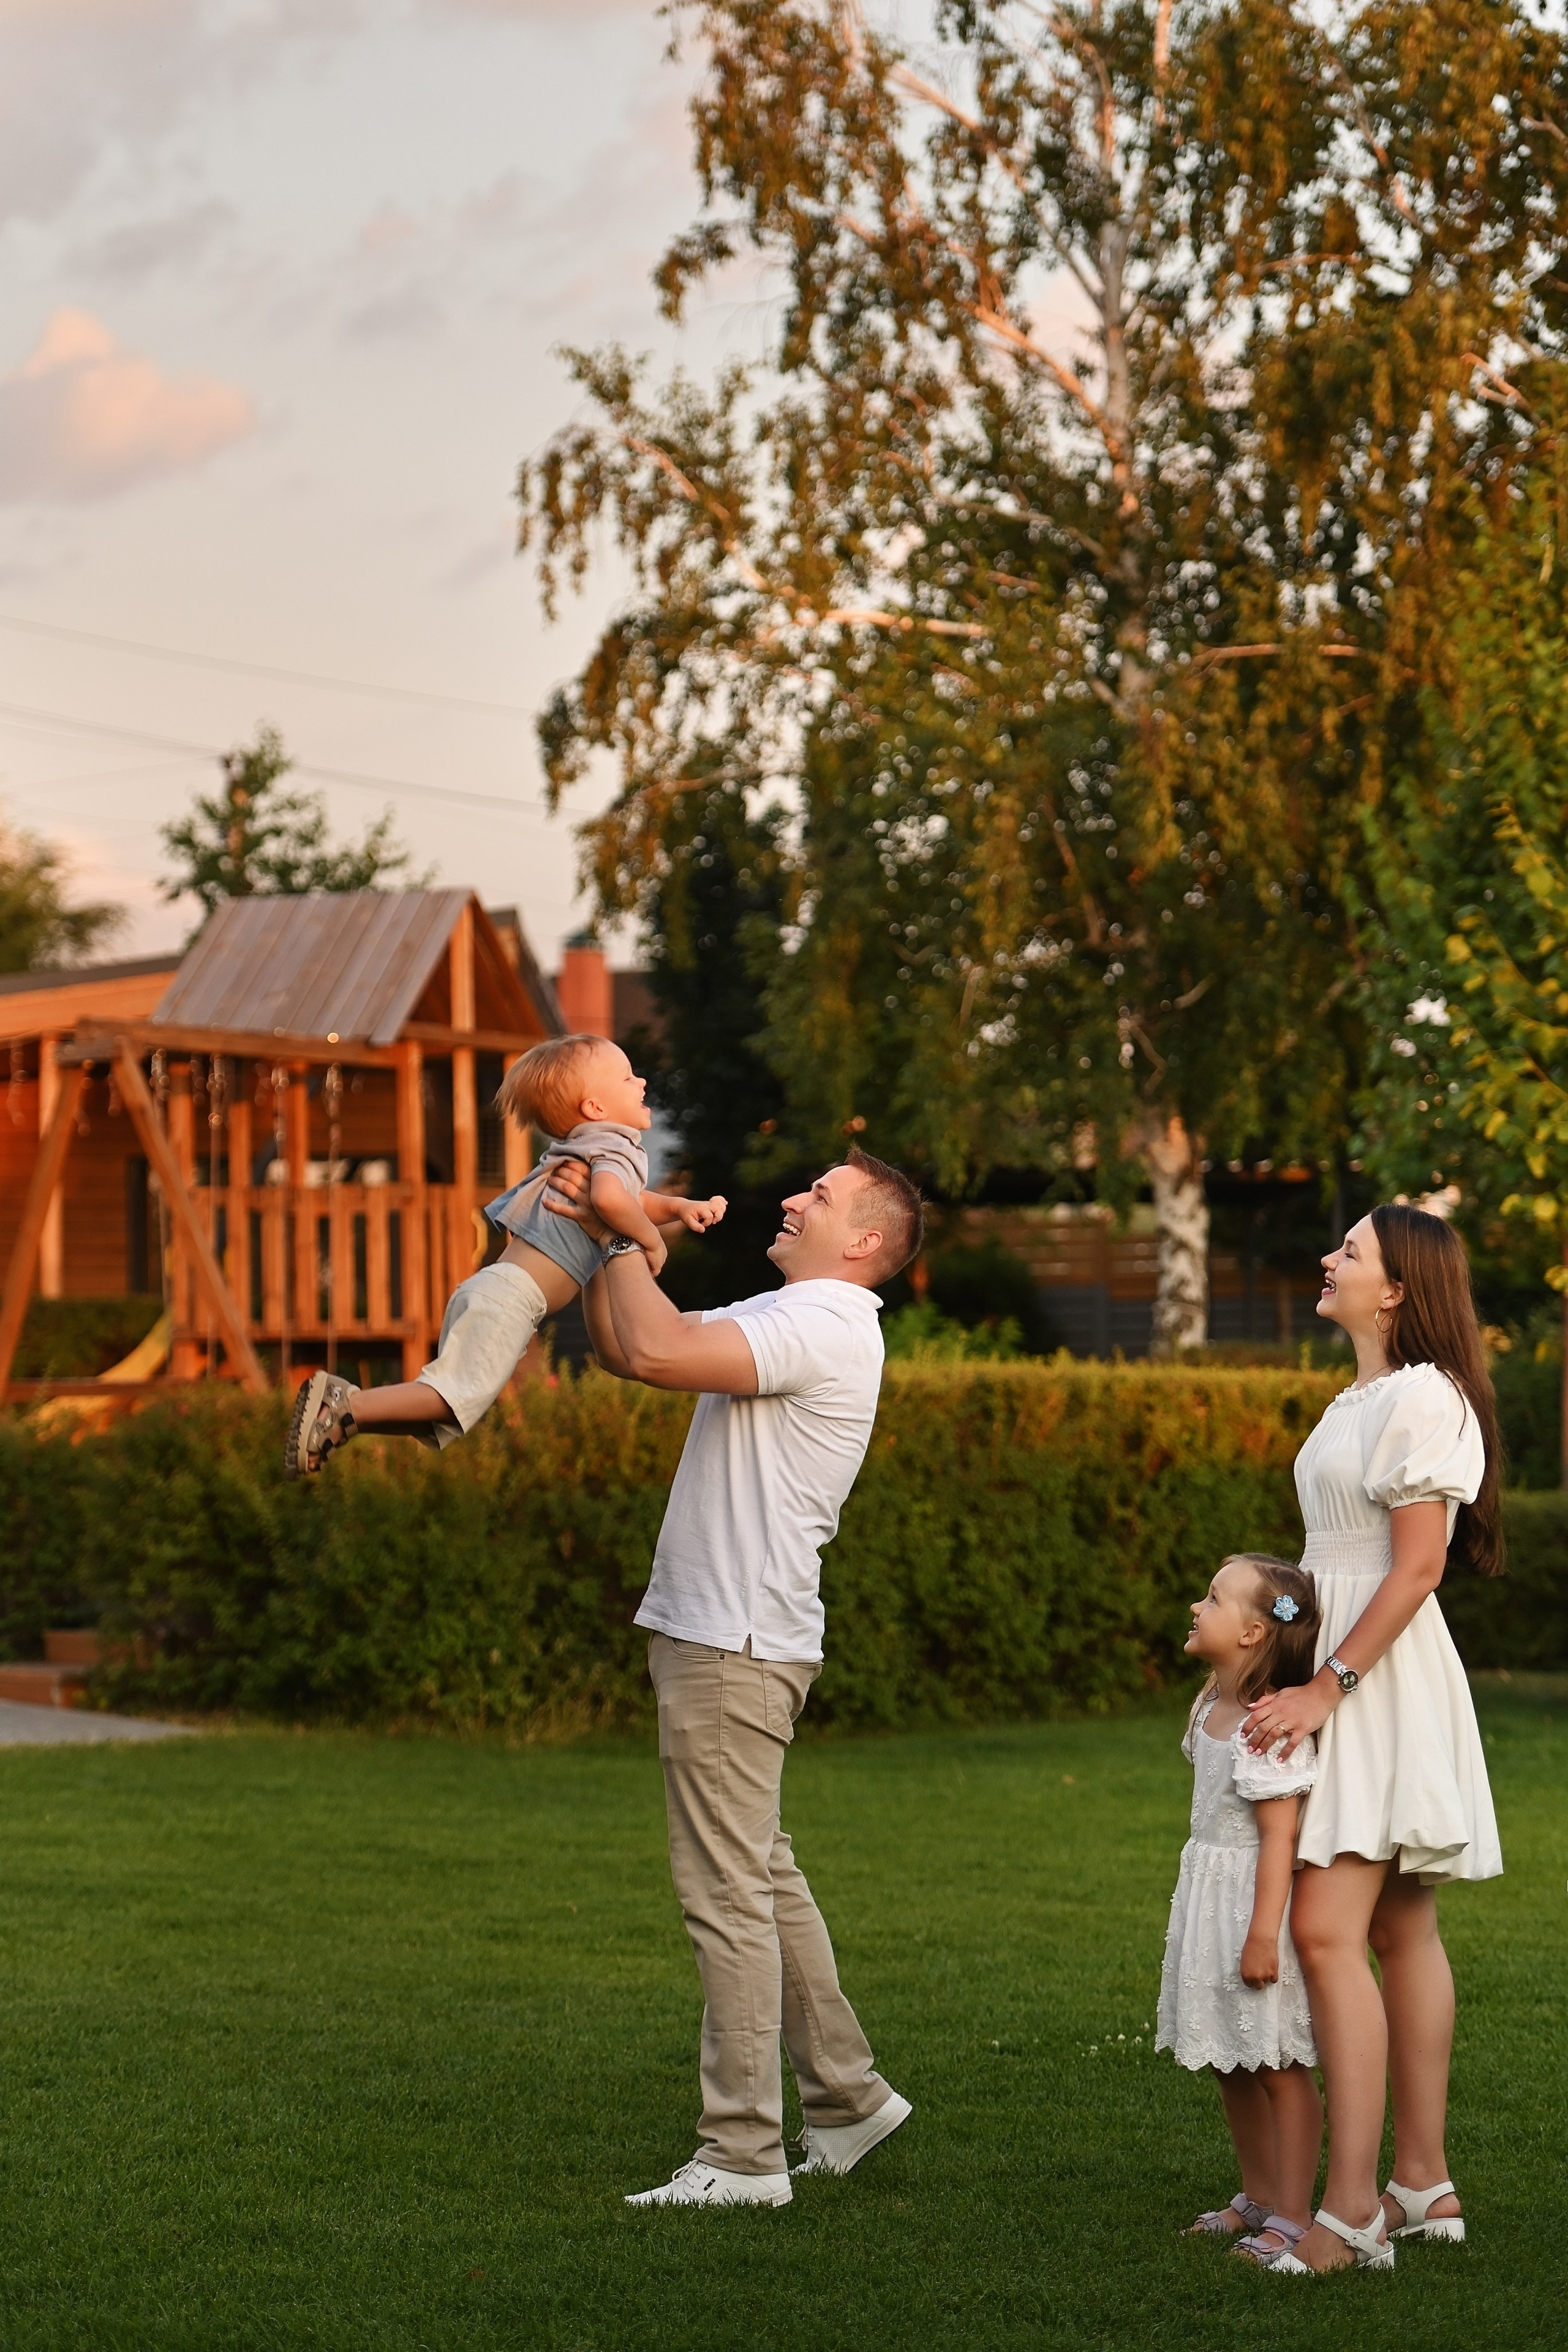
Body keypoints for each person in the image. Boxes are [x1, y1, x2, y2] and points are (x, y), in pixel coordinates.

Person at [549, 1145, 923, 2209]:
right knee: (757, 1871)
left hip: (733, 1642)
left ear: (862, 1240)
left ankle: (743, 2154)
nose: (796, 1196)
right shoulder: (797, 1308)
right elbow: (634, 1347)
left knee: (726, 1893)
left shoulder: (824, 1321)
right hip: (735, 1636)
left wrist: (627, 1224)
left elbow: (659, 1351)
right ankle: (848, 2101)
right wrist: (605, 1237)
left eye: (823, 1195)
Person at [1243, 1204, 1503, 2278]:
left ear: (1397, 1289)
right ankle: (1424, 2181)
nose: (1327, 1259)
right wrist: (1272, 1656)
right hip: (1337, 1665)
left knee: (1324, 1933)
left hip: (1377, 1681)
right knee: (1400, 1928)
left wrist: (1328, 1689)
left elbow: (1417, 1569)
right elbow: (1331, 1561)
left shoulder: (1423, 1400)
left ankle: (1351, 2213)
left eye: (1349, 1252)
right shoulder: (1356, 1398)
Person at [284, 1035, 724, 1476]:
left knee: (449, 1409)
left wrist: (680, 1208)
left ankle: (344, 1420)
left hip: (497, 1290)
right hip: (512, 1298)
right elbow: (612, 1202)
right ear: (595, 1109)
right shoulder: (613, 1145)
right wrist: (652, 1239)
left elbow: (631, 1201)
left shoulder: (591, 1147)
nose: (642, 1082)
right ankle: (347, 1405)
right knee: (450, 1397)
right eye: (628, 1077)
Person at [1156, 1553, 1324, 2269]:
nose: (1197, 1606)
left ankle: (1292, 2213)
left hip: (1257, 1907)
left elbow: (1280, 1837)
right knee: (1230, 2057)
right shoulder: (1209, 1706)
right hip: (1208, 1897)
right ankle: (1255, 2195)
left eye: (1214, 1598)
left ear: (1255, 1632)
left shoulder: (1265, 1726)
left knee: (1277, 2062)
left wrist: (1262, 1936)